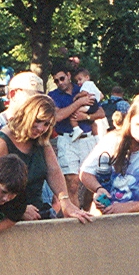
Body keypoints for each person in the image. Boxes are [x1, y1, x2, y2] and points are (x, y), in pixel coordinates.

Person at [0, 93, 91, 222]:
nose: (40, 128)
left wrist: (66, 202)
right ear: (26, 116)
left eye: (46, 124)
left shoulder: (41, 140)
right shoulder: (0, 142)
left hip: (37, 213)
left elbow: (53, 170)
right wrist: (17, 209)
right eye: (37, 121)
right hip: (4, 215)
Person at [47, 65, 102, 205]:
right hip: (67, 139)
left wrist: (86, 117)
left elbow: (101, 112)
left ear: (68, 75)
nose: (60, 83)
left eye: (62, 78)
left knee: (93, 180)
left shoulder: (82, 88)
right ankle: (75, 216)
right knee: (72, 182)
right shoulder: (53, 96)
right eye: (56, 81)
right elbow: (57, 116)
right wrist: (79, 102)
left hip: (87, 138)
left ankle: (91, 210)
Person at [69, 69, 107, 139]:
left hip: (89, 104)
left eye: (80, 79)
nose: (78, 82)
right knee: (92, 123)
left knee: (73, 113)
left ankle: (76, 129)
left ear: (87, 77)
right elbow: (101, 95)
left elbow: (84, 92)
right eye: (77, 81)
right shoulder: (92, 85)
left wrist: (76, 96)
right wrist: (95, 100)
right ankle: (95, 136)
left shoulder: (86, 84)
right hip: (93, 103)